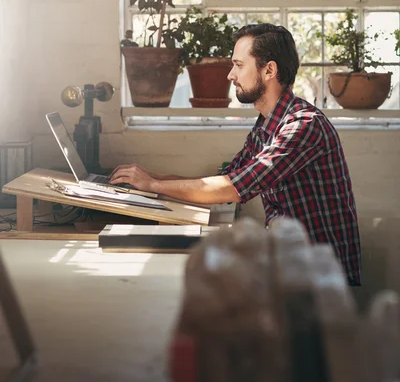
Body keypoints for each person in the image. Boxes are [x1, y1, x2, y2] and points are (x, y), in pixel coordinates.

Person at [110, 23, 361, 286]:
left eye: (239, 65)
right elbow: (224, 179)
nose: (230, 75)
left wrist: (152, 185)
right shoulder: (268, 123)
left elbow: (231, 189)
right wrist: (151, 178)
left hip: (317, 281)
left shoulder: (303, 125)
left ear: (269, 70)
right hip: (289, 264)